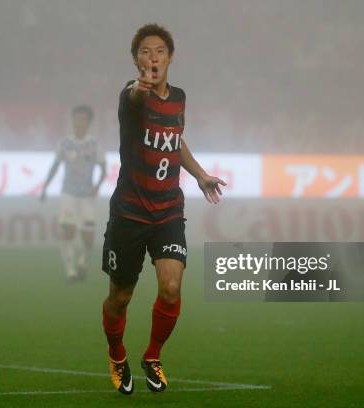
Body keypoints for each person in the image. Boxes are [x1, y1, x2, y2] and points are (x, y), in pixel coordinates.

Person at [101, 23, 226, 395]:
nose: (152, 57)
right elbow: (136, 98)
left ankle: (152, 355)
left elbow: (175, 138)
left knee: (171, 287)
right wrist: (141, 86)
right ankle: (117, 353)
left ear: (170, 57)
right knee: (121, 296)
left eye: (159, 51)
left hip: (168, 209)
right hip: (129, 212)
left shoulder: (179, 97)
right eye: (144, 51)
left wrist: (200, 174)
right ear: (136, 59)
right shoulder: (130, 96)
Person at [40, 105, 106, 282]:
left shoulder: (94, 145)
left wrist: (97, 186)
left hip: (87, 196)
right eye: (76, 118)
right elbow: (55, 166)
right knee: (67, 231)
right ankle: (70, 270)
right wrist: (45, 187)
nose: (79, 122)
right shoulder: (64, 143)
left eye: (83, 119)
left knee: (88, 237)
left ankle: (83, 261)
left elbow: (103, 168)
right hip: (68, 193)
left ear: (88, 122)